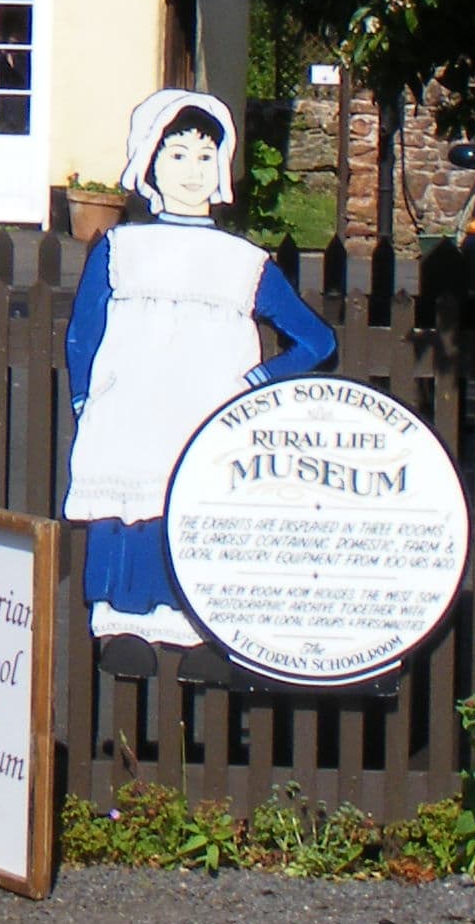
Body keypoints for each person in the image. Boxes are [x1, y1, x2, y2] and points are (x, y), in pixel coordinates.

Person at [63, 88, 338, 645]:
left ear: (222, 168)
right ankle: (123, 628)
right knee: (129, 517)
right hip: (131, 416)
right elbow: (82, 337)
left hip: (205, 416)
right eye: (178, 155)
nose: (193, 170)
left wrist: (256, 385)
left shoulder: (241, 263)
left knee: (195, 515)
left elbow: (315, 339)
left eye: (206, 156)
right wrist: (88, 401)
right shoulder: (120, 249)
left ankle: (201, 627)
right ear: (150, 163)